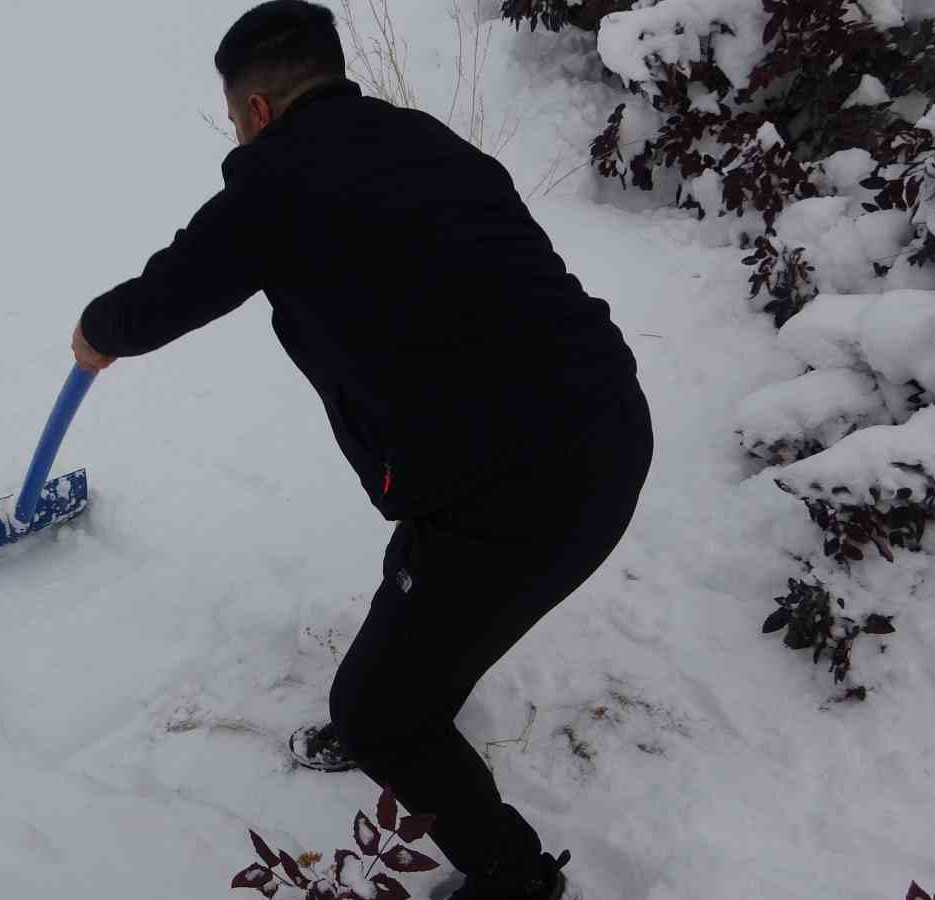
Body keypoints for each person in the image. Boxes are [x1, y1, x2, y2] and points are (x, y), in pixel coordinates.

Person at [70, 2, 654, 898]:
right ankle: (412, 690)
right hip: (607, 421)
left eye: (235, 117)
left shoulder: (275, 185)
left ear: (256, 110)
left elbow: (167, 293)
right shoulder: (427, 141)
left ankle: (514, 878)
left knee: (378, 714)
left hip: (522, 489)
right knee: (423, 571)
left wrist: (95, 332)